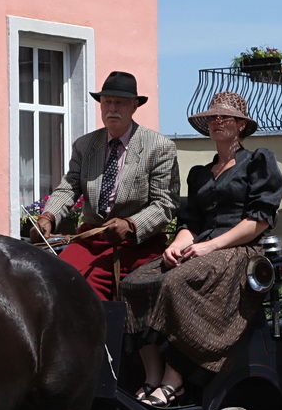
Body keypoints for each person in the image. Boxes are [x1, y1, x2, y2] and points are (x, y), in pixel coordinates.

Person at [119, 91, 282, 406]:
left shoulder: (258, 162)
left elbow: (259, 220)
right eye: (212, 117)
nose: (216, 121)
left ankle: (175, 379)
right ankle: (152, 377)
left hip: (240, 251)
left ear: (240, 126)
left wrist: (211, 245)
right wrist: (177, 245)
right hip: (203, 246)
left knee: (174, 283)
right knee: (134, 283)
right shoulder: (200, 174)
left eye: (224, 117)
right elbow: (189, 222)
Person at [34, 71, 180, 300]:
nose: (112, 108)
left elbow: (165, 204)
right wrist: (48, 217)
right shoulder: (85, 145)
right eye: (106, 102)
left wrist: (131, 225)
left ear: (134, 106)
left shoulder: (159, 147)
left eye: (119, 103)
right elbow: (69, 187)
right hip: (90, 240)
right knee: (55, 282)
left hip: (138, 244)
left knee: (128, 297)